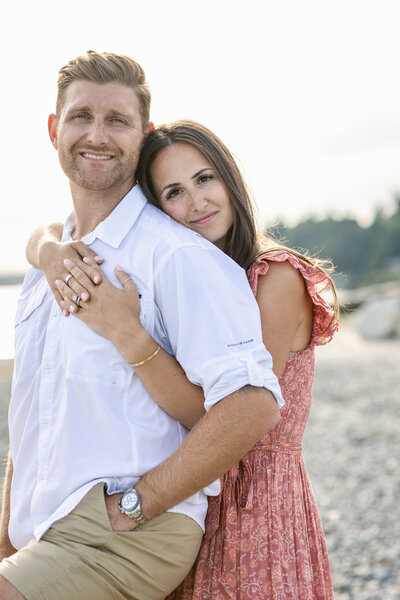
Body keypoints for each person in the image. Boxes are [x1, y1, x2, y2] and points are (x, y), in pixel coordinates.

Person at [0, 53, 284, 600]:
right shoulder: (48, 267)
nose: (97, 135)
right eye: (82, 116)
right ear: (55, 129)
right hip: (46, 529)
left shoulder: (174, 255)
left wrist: (138, 504)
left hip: (127, 532)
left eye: (118, 120)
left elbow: (253, 403)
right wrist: (7, 529)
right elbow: (32, 411)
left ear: (142, 135)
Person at [26, 119, 339, 599]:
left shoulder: (274, 276)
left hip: (255, 501)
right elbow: (49, 229)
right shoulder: (186, 281)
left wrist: (127, 333)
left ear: (229, 179)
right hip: (190, 494)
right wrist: (48, 249)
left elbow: (230, 414)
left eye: (204, 179)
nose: (196, 203)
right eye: (173, 192)